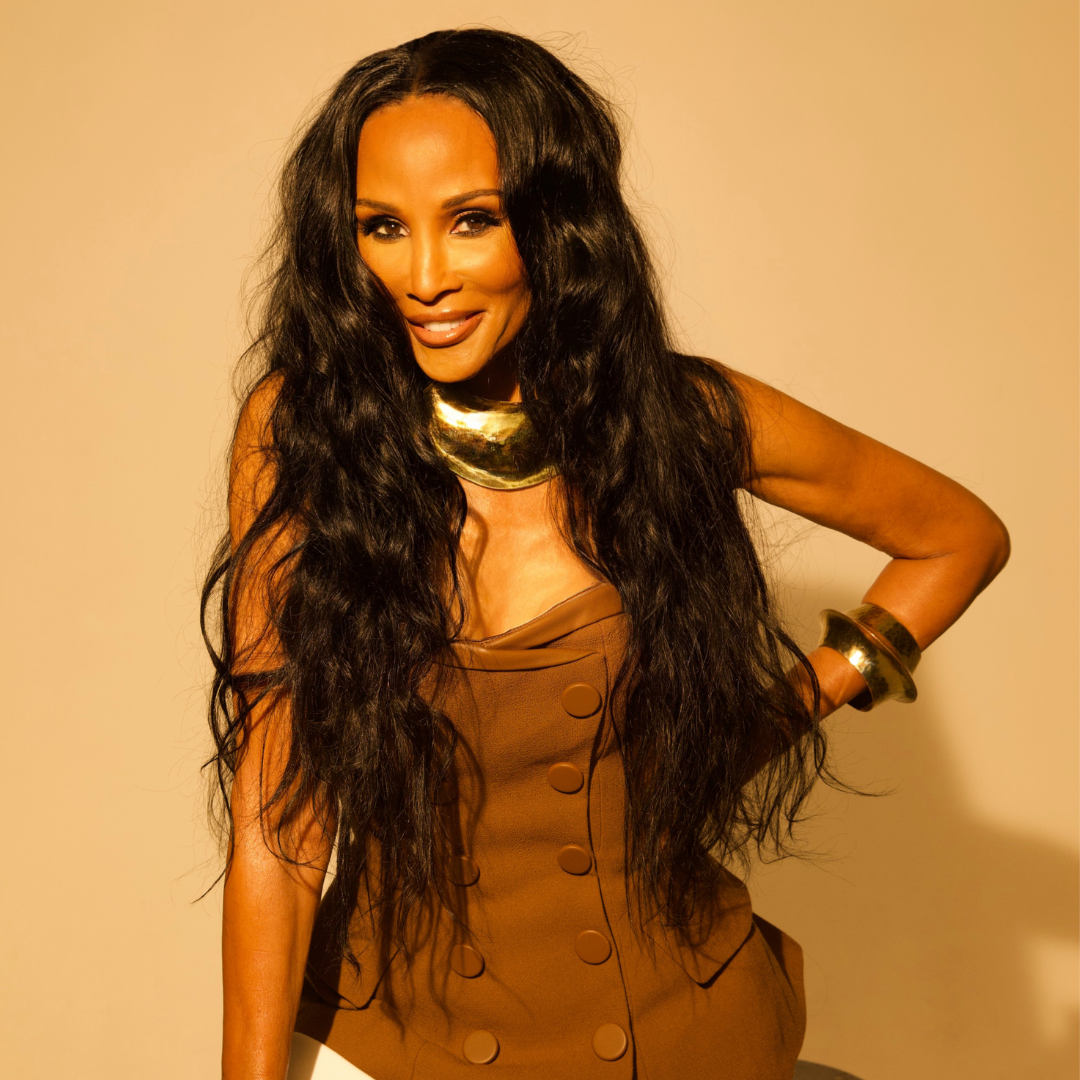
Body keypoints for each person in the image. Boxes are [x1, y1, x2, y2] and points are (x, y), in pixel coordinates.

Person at [202, 27, 1009, 1080]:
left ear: (556, 224)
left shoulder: (681, 419)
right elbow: (279, 825)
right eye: (383, 228)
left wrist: (789, 704)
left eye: (473, 222)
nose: (425, 277)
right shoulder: (300, 432)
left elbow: (958, 535)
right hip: (392, 1043)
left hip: (688, 1032)